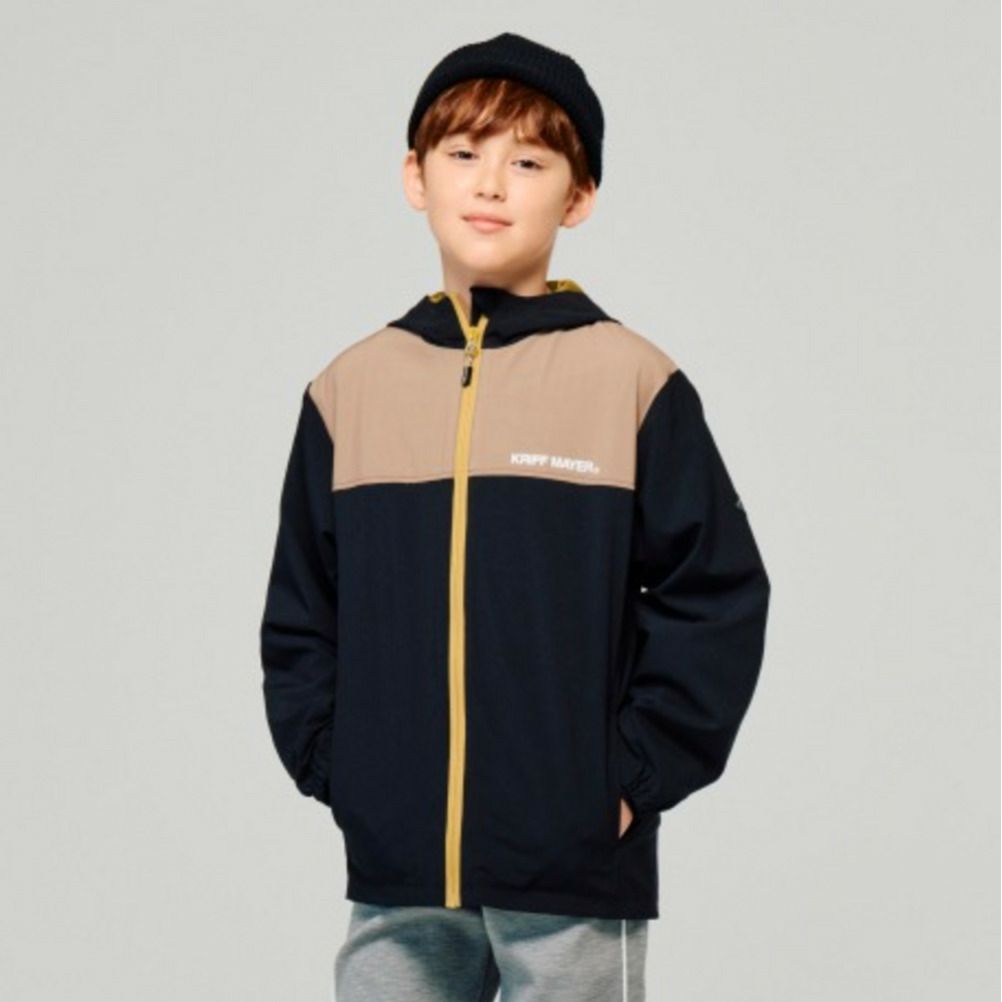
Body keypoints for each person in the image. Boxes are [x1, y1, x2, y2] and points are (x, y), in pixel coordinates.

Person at [259, 30, 771, 1002]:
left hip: (572, 868)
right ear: (415, 177)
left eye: (529, 161)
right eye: (463, 153)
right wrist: (344, 771)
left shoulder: (632, 381)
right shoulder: (349, 390)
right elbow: (303, 612)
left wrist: (629, 778)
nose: (491, 183)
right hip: (399, 870)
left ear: (579, 196)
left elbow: (718, 596)